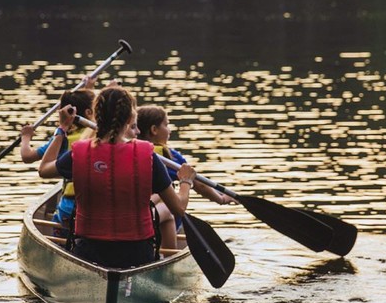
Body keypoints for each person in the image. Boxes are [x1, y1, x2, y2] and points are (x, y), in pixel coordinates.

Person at [38, 85, 196, 268]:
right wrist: (185, 181)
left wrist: (62, 129)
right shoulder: (148, 155)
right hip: (137, 254)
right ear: (129, 119)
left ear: (96, 116)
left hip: (89, 251)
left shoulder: (79, 152)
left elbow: (44, 169)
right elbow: (179, 209)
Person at [136, 105, 234, 249]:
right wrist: (221, 199)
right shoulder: (170, 157)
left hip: (139, 219)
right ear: (154, 130)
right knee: (168, 206)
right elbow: (199, 184)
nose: (169, 130)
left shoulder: (132, 153)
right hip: (160, 220)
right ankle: (171, 252)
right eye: (166, 125)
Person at [19, 88, 96, 235]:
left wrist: (26, 137)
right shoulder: (98, 136)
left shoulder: (61, 138)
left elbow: (27, 156)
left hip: (68, 208)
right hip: (92, 207)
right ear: (88, 113)